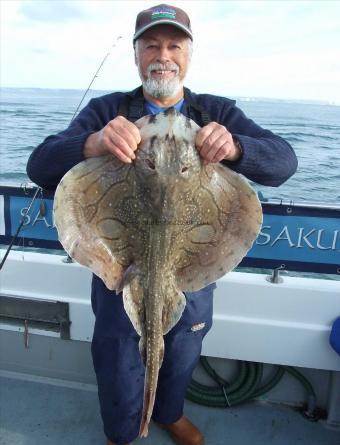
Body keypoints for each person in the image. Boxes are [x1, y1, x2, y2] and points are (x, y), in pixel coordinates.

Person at [26, 4, 298, 445]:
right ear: (136, 55)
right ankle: (121, 432)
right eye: (151, 44)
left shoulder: (216, 111)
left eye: (174, 45)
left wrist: (235, 147)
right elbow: (40, 164)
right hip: (123, 265)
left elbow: (283, 162)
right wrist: (93, 142)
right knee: (117, 354)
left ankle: (168, 413)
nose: (163, 54)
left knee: (183, 348)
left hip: (189, 267)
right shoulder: (108, 108)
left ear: (189, 54)